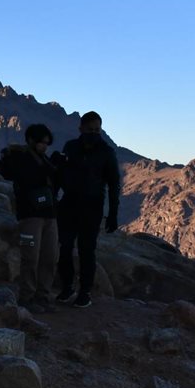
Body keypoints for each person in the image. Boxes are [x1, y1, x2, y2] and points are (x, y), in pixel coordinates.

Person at [55, 111, 121, 309]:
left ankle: (85, 292)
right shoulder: (70, 147)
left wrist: (113, 214)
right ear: (81, 128)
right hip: (69, 203)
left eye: (97, 130)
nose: (94, 133)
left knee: (87, 250)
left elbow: (114, 184)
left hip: (92, 206)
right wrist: (54, 197)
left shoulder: (107, 152)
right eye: (90, 129)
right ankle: (67, 287)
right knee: (64, 247)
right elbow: (60, 174)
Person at [0, 124, 60, 313]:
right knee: (30, 258)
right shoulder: (20, 158)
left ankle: (43, 296)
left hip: (49, 214)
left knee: (50, 257)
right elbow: (22, 177)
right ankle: (27, 297)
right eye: (41, 142)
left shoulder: (45, 159)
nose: (44, 146)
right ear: (31, 140)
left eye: (47, 143)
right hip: (30, 215)